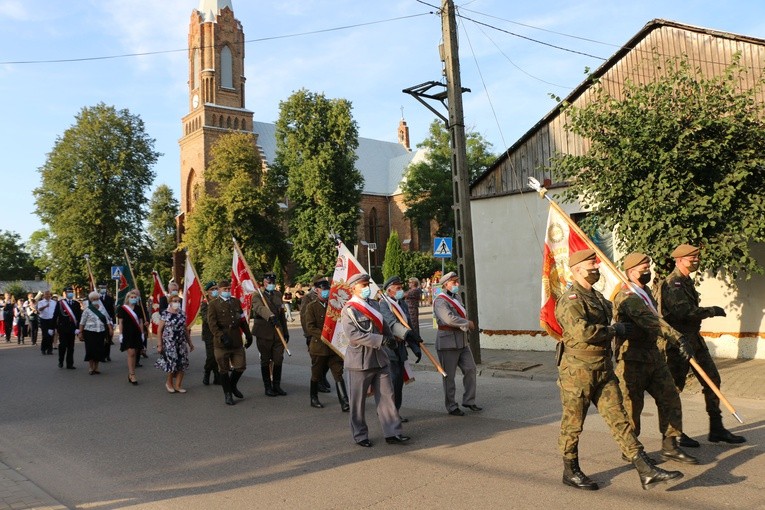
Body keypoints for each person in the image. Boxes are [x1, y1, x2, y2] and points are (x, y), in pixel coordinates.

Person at [555, 249, 682, 491]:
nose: (596, 267)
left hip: (603, 367)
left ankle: (645, 469)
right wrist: (615, 331)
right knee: (573, 424)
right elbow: (582, 332)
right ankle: (570, 470)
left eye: (595, 263)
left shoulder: (599, 298)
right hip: (577, 371)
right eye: (591, 264)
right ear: (577, 269)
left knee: (619, 419)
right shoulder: (570, 300)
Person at [612, 252, 698, 464]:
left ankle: (670, 445)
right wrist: (679, 339)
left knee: (670, 397)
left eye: (648, 268)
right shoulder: (627, 296)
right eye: (643, 269)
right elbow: (652, 321)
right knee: (632, 407)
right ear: (631, 272)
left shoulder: (646, 291)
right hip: (632, 360)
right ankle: (631, 449)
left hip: (653, 356)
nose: (648, 272)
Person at [658, 243, 746, 445]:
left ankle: (717, 428)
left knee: (712, 379)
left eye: (697, 258)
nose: (696, 261)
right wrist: (711, 311)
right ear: (679, 260)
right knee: (674, 388)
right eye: (692, 259)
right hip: (678, 342)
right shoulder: (673, 283)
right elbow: (683, 312)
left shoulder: (687, 282)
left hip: (694, 339)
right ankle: (674, 434)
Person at [340, 272, 409, 447]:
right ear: (353, 288)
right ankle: (360, 435)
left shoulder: (374, 305)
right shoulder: (349, 309)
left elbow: (384, 324)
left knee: (387, 397)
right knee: (358, 401)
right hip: (359, 362)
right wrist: (381, 340)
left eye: (367, 285)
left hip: (380, 359)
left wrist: (391, 338)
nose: (366, 288)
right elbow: (353, 335)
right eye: (362, 286)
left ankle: (392, 432)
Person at [433, 271, 481, 416]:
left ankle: (469, 400)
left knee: (471, 369)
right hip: (447, 342)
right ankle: (452, 406)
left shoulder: (457, 297)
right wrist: (467, 323)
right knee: (449, 377)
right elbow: (448, 319)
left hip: (461, 340)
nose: (457, 284)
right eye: (454, 282)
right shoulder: (440, 301)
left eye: (457, 281)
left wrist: (466, 326)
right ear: (446, 284)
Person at [380, 275, 422, 422]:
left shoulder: (402, 304)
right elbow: (391, 324)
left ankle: (395, 411)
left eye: (401, 287)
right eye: (398, 288)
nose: (401, 290)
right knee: (392, 382)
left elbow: (408, 324)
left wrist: (415, 346)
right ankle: (389, 413)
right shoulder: (383, 304)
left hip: (400, 349)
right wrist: (408, 334)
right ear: (389, 290)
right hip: (389, 349)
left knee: (398, 384)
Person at [304, 277, 349, 411]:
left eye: (327, 289)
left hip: (333, 348)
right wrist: (325, 336)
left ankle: (344, 402)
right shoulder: (311, 306)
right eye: (323, 290)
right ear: (316, 290)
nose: (326, 292)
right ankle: (313, 398)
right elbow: (310, 327)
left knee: (338, 373)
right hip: (319, 347)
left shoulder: (334, 306)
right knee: (316, 374)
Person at [207, 280, 253, 405]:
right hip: (221, 342)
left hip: (236, 339)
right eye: (224, 289)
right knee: (224, 369)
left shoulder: (236, 302)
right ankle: (227, 394)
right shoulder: (213, 304)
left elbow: (242, 319)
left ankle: (232, 385)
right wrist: (221, 336)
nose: (227, 291)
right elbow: (212, 324)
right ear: (219, 290)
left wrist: (248, 334)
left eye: (228, 289)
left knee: (240, 366)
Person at [252, 272, 289, 397]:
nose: (271, 285)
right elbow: (258, 308)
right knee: (265, 360)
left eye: (273, 282)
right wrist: (270, 316)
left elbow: (282, 315)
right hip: (264, 333)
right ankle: (267, 387)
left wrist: (286, 331)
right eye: (269, 282)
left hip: (278, 332)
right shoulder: (257, 295)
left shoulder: (278, 294)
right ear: (264, 282)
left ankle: (277, 385)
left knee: (278, 359)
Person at [155, 293, 193, 393]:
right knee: (172, 364)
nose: (177, 303)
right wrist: (160, 345)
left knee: (182, 363)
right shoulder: (165, 314)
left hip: (181, 343)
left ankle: (178, 385)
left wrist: (190, 343)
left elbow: (185, 329)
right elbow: (159, 330)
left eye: (178, 301)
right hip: (169, 343)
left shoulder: (182, 314)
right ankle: (169, 383)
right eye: (174, 301)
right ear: (170, 302)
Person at [300, 275, 331, 394]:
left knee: (328, 360)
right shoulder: (308, 298)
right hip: (314, 335)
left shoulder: (328, 297)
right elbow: (304, 318)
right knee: (318, 361)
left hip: (327, 334)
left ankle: (322, 378)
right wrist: (308, 335)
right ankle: (318, 382)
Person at [78, 291, 113, 375]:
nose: (96, 300)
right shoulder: (87, 310)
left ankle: (96, 367)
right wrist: (80, 332)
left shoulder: (102, 309)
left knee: (98, 350)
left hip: (100, 332)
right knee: (90, 350)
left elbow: (107, 320)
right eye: (94, 299)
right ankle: (90, 367)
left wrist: (110, 329)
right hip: (89, 332)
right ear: (91, 299)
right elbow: (82, 322)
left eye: (97, 299)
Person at [117, 289, 144, 385]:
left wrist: (142, 334)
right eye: (131, 297)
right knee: (131, 353)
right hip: (127, 334)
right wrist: (120, 334)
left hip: (136, 333)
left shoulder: (138, 308)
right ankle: (132, 374)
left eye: (135, 297)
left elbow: (140, 321)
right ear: (127, 298)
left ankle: (132, 373)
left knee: (135, 353)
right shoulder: (123, 309)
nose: (133, 299)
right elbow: (121, 323)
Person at [53, 286, 82, 370]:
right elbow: (55, 316)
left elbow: (79, 317)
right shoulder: (60, 303)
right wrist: (52, 327)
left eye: (71, 292)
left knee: (71, 347)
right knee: (62, 346)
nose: (70, 293)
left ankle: (70, 363)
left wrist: (78, 328)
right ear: (65, 293)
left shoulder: (76, 304)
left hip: (72, 329)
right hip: (62, 328)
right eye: (68, 292)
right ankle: (61, 361)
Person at [200, 281, 220, 386]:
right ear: (207, 292)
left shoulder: (220, 301)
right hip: (209, 334)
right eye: (212, 289)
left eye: (216, 288)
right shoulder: (204, 303)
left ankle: (217, 376)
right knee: (211, 356)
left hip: (219, 333)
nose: (215, 291)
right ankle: (207, 372)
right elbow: (205, 318)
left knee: (218, 356)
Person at [98, 284, 116, 362]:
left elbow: (112, 311)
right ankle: (101, 355)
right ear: (99, 289)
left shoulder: (110, 298)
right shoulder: (97, 298)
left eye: (104, 288)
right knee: (101, 339)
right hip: (100, 321)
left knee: (108, 339)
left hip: (108, 321)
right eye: (101, 288)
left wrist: (114, 322)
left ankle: (107, 355)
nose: (103, 289)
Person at [37, 290, 56, 355]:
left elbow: (56, 311)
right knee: (45, 335)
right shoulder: (41, 302)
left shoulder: (54, 302)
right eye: (46, 294)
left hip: (51, 320)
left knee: (51, 335)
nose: (48, 296)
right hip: (44, 320)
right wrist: (45, 306)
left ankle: (49, 350)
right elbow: (39, 309)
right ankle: (43, 349)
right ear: (44, 295)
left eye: (49, 294)